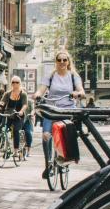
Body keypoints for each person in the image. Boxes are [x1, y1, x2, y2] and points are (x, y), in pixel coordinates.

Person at [33, 49, 85, 179]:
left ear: (68, 62)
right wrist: (37, 95)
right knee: (46, 136)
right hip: (52, 109)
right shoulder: (50, 76)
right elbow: (41, 89)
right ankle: (48, 165)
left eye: (64, 60)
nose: (62, 62)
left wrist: (77, 93)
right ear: (55, 62)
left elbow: (81, 91)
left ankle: (65, 158)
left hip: (67, 110)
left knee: (67, 135)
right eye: (59, 60)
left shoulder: (74, 76)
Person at [0, 76, 28, 158]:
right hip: (8, 114)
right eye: (13, 82)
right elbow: (2, 102)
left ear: (20, 83)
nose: (15, 84)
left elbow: (25, 105)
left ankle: (16, 151)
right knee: (3, 129)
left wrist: (21, 111)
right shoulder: (7, 93)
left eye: (17, 82)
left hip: (18, 115)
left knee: (16, 131)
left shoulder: (23, 94)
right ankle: (6, 147)